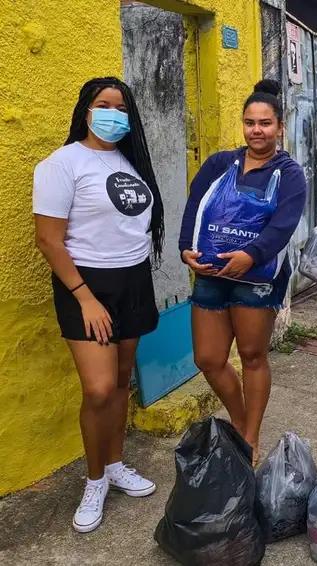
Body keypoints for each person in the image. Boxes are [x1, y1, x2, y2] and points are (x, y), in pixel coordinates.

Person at [33, 77, 165, 533]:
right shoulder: (61, 163)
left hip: (132, 279)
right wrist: (85, 298)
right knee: (98, 389)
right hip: (86, 286)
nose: (113, 113)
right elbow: (49, 241)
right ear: (86, 111)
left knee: (122, 381)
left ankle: (114, 464)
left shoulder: (131, 161)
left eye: (121, 106)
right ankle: (94, 480)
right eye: (102, 104)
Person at [178, 80, 307, 466]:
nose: (257, 130)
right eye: (250, 122)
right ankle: (239, 420)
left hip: (257, 278)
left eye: (265, 123)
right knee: (208, 358)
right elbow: (194, 206)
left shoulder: (290, 174)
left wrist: (250, 255)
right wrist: (187, 247)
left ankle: (249, 437)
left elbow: (283, 225)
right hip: (213, 273)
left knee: (252, 355)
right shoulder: (220, 164)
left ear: (279, 127)